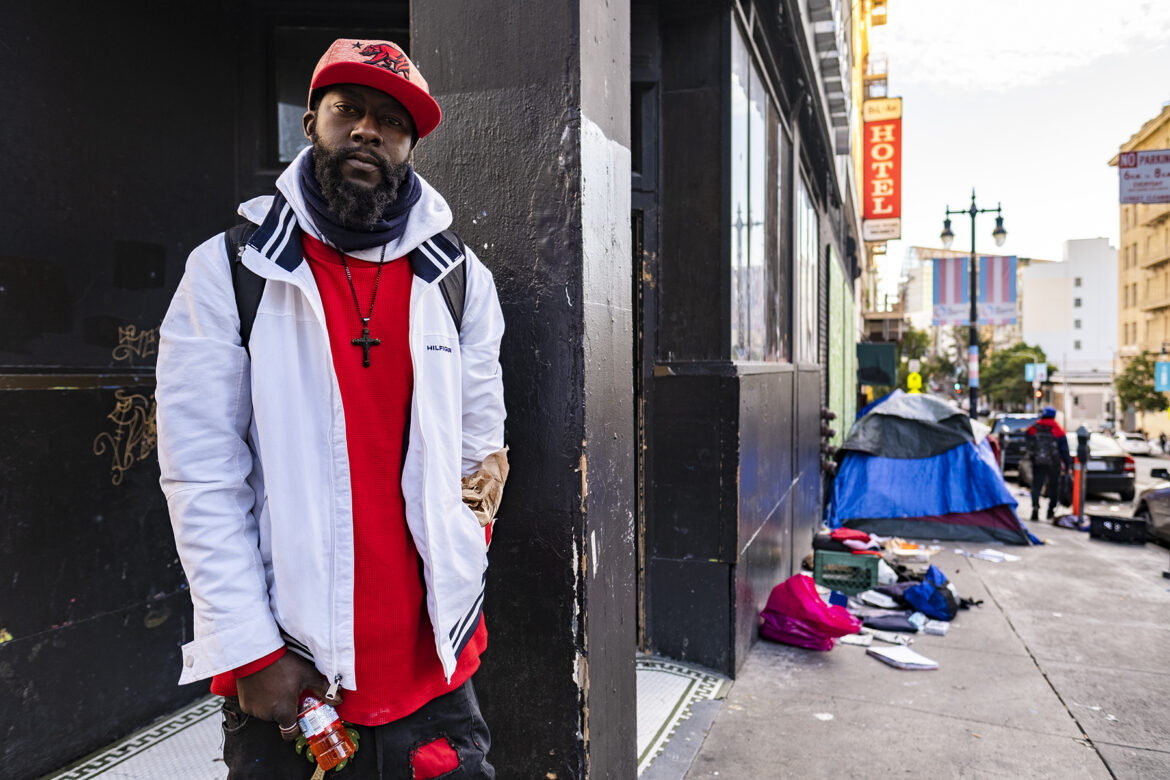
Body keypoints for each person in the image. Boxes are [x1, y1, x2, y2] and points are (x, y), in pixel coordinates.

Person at [156, 38, 507, 778]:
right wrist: (251, 649)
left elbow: (483, 454)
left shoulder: (458, 279)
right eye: (349, 110)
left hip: (437, 672)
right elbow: (202, 478)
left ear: (411, 144)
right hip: (296, 674)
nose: (368, 131)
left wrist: (461, 570)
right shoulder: (230, 270)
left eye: (392, 120)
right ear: (313, 120)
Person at [1025, 407, 1072, 521]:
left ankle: (1035, 509)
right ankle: (1050, 511)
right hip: (1054, 463)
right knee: (1054, 487)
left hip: (1038, 462)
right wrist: (1068, 465)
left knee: (1036, 486)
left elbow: (1028, 443)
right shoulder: (1058, 429)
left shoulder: (1033, 428)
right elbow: (1064, 449)